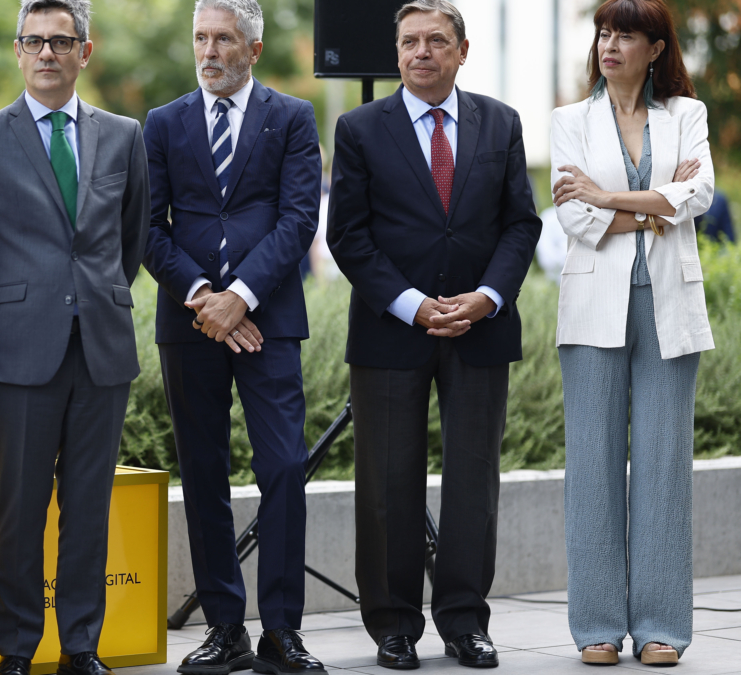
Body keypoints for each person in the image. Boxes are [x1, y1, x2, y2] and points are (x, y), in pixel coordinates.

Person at [327, 0, 541, 669]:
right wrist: (414, 304)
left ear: (462, 50)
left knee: (474, 480)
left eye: (436, 41)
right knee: (388, 483)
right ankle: (393, 623)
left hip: (481, 328)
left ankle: (464, 621)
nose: (422, 51)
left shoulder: (500, 123)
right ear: (396, 53)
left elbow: (520, 224)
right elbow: (348, 237)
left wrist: (486, 298)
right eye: (410, 42)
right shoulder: (359, 127)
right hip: (393, 330)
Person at [0, 1, 149, 674]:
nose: (49, 53)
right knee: (20, 512)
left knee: (88, 509)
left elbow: (130, 238)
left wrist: (96, 297)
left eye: (63, 41)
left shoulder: (123, 135)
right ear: (17, 50)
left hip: (101, 349)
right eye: (35, 41)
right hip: (14, 351)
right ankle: (18, 649)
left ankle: (81, 645)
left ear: (85, 52)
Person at [142, 1, 324, 673]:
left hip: (268, 321)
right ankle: (226, 627)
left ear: (253, 45)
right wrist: (202, 298)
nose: (209, 50)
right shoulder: (162, 123)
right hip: (188, 325)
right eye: (201, 38)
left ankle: (282, 630)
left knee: (282, 467)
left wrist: (240, 297)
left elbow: (299, 217)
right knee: (204, 472)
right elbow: (147, 228)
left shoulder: (293, 117)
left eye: (223, 37)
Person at [549, 0, 713, 665]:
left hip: (669, 305)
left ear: (654, 48)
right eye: (604, 32)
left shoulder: (688, 116)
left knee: (663, 462)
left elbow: (697, 197)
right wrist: (655, 208)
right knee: (590, 462)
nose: (610, 44)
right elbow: (571, 216)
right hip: (594, 308)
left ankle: (660, 628)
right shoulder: (569, 121)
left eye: (625, 35)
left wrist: (611, 198)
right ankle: (596, 624)